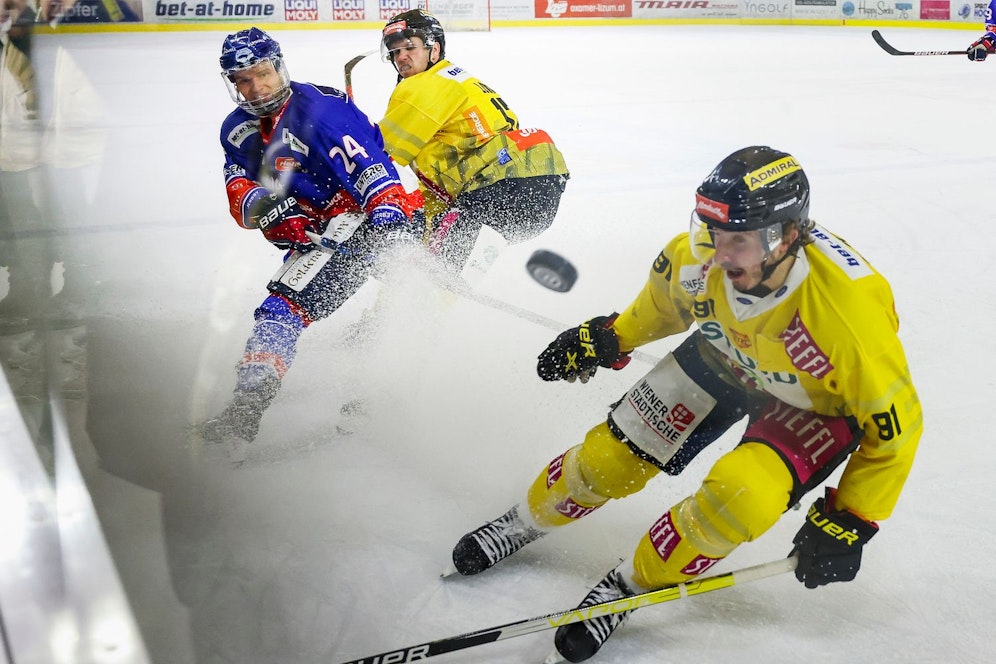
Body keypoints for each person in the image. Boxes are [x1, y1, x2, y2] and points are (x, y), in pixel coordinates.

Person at [449, 146, 923, 662]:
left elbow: (897, 430)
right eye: (714, 233)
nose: (720, 255)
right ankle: (525, 520)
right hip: (728, 355)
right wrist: (611, 338)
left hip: (813, 404)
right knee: (609, 461)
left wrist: (854, 517)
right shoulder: (696, 255)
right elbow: (662, 307)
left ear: (787, 237)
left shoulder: (848, 317)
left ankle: (629, 586)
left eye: (738, 241)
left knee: (739, 497)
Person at [199, 28, 422, 447]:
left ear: (279, 67)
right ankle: (370, 398)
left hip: (362, 222)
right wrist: (271, 211)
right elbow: (241, 193)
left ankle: (239, 426)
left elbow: (376, 177)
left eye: (262, 73)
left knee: (280, 310)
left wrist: (389, 229)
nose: (255, 87)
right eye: (242, 79)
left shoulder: (320, 113)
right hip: (320, 235)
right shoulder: (237, 129)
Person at [377, 9, 569, 275]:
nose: (401, 57)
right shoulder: (459, 80)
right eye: (395, 52)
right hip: (538, 185)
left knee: (433, 273)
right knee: (444, 262)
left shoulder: (419, 86)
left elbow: (374, 158)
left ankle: (420, 299)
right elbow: (438, 195)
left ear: (434, 49)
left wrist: (347, 124)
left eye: (409, 46)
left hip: (502, 186)